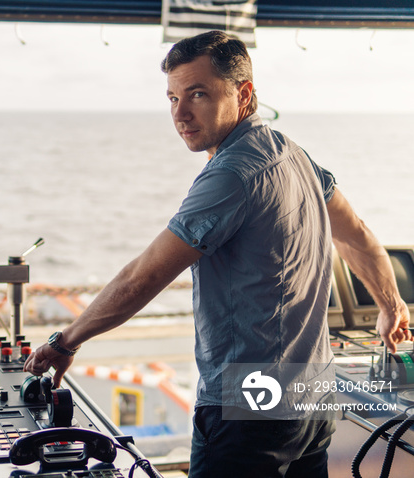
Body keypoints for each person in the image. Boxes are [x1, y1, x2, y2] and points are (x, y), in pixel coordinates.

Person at [23, 30, 412, 477]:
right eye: (172, 98)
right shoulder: (294, 154)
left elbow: (143, 277)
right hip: (312, 401)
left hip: (250, 407)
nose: (180, 113)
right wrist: (391, 304)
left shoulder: (231, 175)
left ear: (243, 94)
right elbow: (357, 235)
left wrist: (65, 341)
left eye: (198, 94)